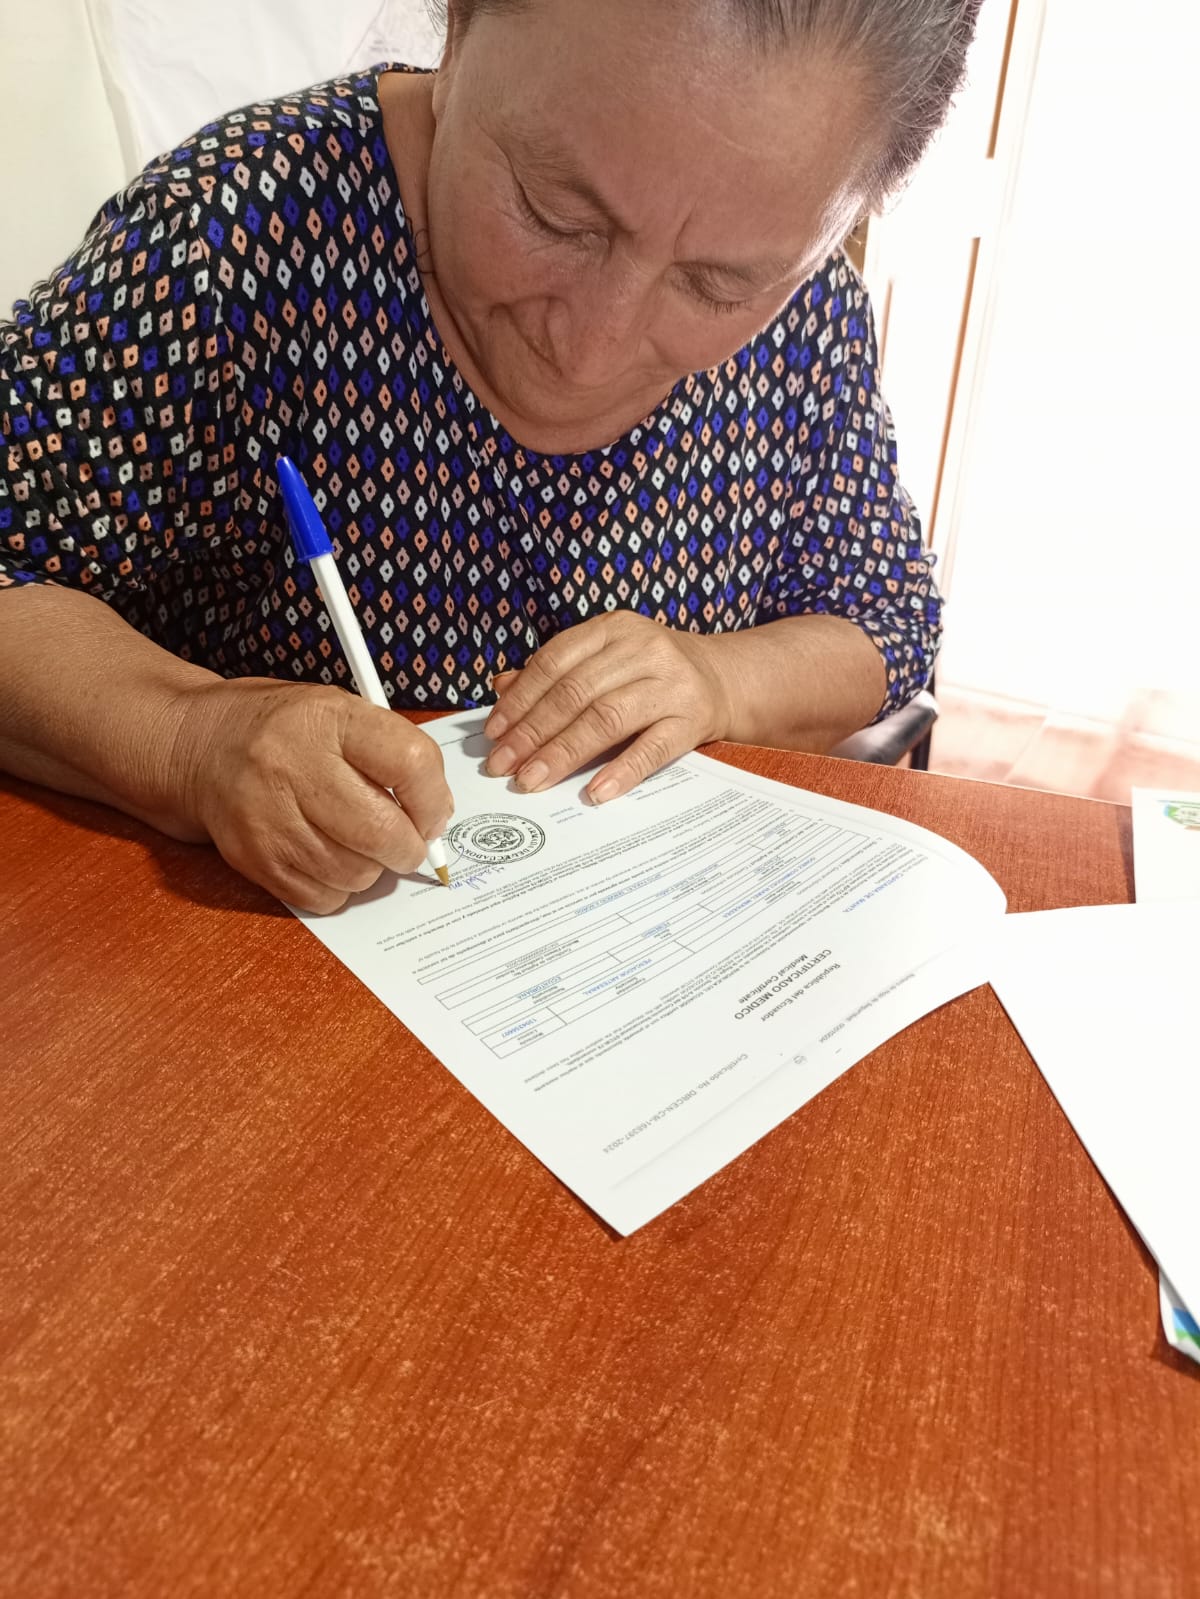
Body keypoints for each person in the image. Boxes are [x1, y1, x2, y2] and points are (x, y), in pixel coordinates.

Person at [0, 0, 978, 912]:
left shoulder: (810, 317)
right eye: (556, 214)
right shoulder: (232, 235)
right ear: (461, 27)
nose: (591, 349)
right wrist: (193, 738)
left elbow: (886, 620)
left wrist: (723, 679)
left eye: (718, 286)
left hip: (634, 955)